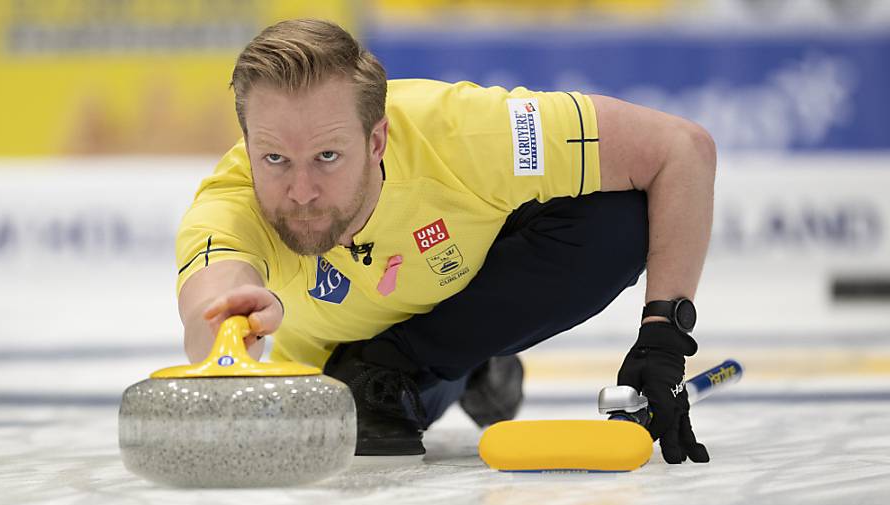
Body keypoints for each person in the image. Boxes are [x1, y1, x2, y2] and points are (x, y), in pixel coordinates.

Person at [175, 19, 715, 464]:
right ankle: (473, 369)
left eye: (327, 157)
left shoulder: (468, 134)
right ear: (248, 145)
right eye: (273, 159)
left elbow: (680, 150)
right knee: (370, 403)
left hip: (459, 294)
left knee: (620, 217)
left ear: (377, 139)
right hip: (349, 372)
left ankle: (449, 352)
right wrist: (231, 328)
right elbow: (214, 298)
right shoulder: (230, 204)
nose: (300, 191)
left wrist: (662, 338)